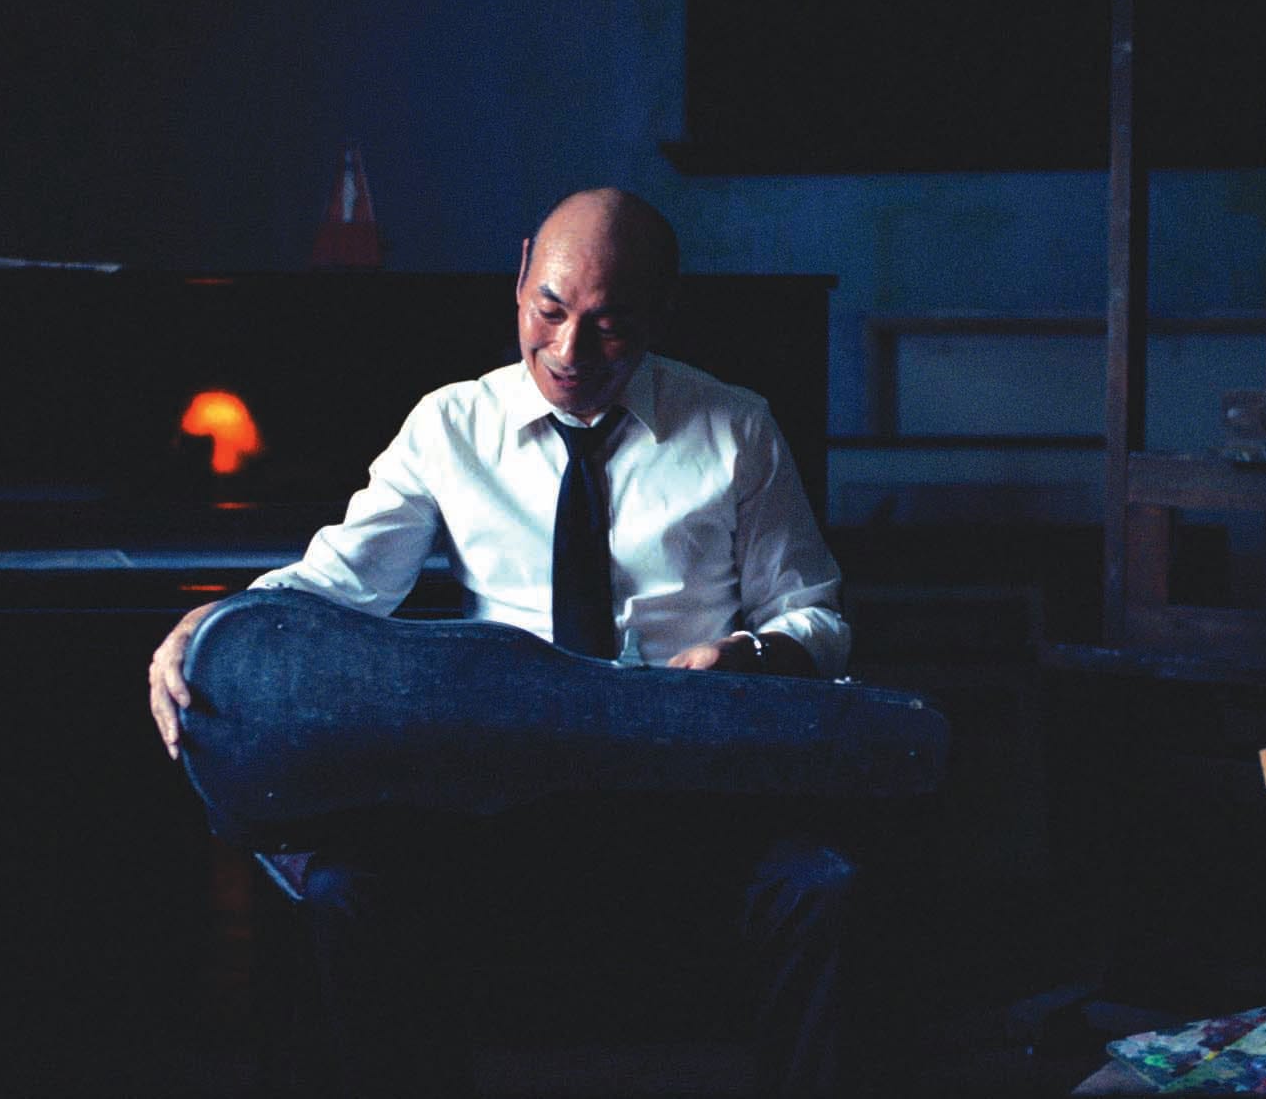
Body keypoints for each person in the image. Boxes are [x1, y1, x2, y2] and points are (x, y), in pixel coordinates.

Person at [149, 188, 868, 1096]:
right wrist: (214, 625)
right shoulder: (449, 425)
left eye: (610, 325)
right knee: (346, 889)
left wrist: (749, 657)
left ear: (661, 311)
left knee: (820, 883)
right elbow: (333, 586)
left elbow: (816, 616)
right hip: (493, 798)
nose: (569, 351)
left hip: (685, 791)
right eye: (550, 310)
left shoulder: (738, 427)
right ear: (522, 273)